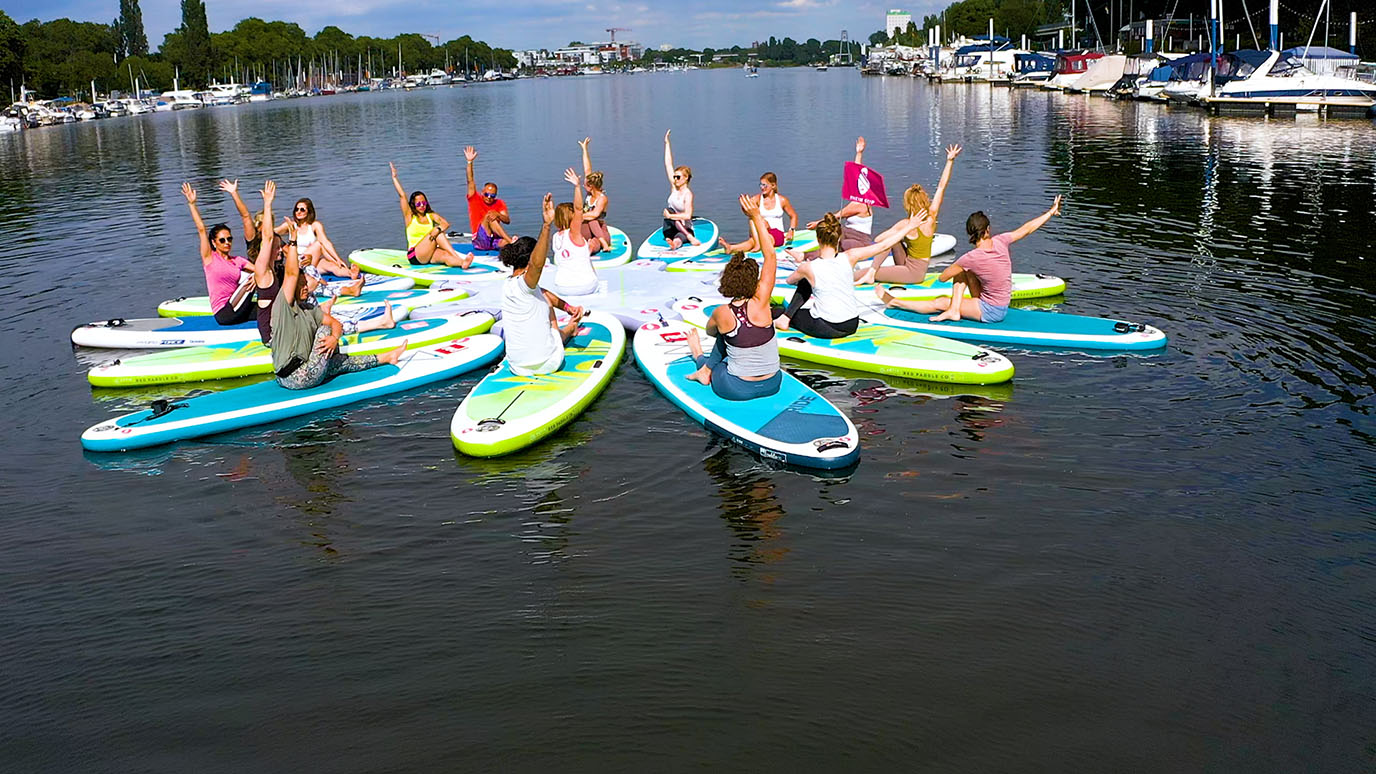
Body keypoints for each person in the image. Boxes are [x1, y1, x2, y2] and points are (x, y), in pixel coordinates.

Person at [879, 196, 1063, 323]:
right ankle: (954, 310)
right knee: (964, 270)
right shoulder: (1001, 241)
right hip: (998, 303)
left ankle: (895, 302)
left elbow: (942, 278)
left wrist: (959, 267)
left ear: (969, 233)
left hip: (991, 311)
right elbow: (1026, 229)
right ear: (988, 229)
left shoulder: (971, 257)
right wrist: (1050, 212)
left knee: (942, 300)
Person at [270, 219, 405, 391]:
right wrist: (293, 241)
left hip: (293, 376)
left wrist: (334, 339)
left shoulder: (309, 310)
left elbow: (336, 323)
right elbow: (290, 274)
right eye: (302, 285)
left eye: (306, 284)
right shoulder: (284, 306)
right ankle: (382, 357)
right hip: (296, 377)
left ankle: (385, 357)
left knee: (339, 361)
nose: (306, 287)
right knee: (324, 331)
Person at [684, 195, 781, 400]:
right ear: (754, 282)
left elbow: (711, 332)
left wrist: (702, 352)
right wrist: (756, 216)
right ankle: (704, 366)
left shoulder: (722, 313)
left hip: (736, 388)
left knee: (724, 334)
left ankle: (701, 364)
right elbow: (770, 255)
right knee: (730, 333)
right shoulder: (762, 302)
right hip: (774, 383)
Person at [774, 211, 917, 339]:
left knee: (780, 310)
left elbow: (789, 281)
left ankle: (784, 319)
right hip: (851, 324)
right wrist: (909, 227)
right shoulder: (850, 256)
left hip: (827, 327)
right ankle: (785, 318)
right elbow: (882, 246)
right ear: (838, 239)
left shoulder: (808, 267)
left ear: (818, 239)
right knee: (807, 284)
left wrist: (804, 275)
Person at [224, 178, 366, 297]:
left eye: (270, 222)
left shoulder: (277, 239)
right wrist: (234, 193)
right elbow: (245, 216)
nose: (268, 226)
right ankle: (344, 289)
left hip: (281, 274)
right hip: (264, 280)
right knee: (309, 282)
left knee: (313, 280)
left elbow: (290, 252)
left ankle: (347, 286)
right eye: (264, 223)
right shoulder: (253, 239)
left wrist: (308, 266)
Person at [498, 193, 585, 377]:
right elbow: (536, 265)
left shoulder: (510, 285)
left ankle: (569, 325)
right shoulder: (525, 283)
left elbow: (542, 292)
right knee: (547, 306)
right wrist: (546, 225)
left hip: (517, 367)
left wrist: (568, 307)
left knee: (544, 298)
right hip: (547, 363)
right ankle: (570, 328)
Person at [858, 144, 962, 285]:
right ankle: (872, 272)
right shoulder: (931, 219)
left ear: (907, 204)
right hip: (912, 267)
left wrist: (901, 232)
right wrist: (950, 161)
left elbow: (879, 239)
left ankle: (869, 274)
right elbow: (941, 187)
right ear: (924, 200)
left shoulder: (905, 224)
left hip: (912, 274)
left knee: (863, 271)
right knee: (893, 240)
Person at [181, 182, 255, 326]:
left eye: (229, 239)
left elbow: (262, 272)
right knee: (253, 277)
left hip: (239, 308)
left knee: (269, 308)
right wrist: (192, 204)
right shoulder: (210, 259)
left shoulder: (238, 261)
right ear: (214, 243)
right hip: (224, 313)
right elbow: (201, 229)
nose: (227, 242)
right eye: (222, 240)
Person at [389, 163, 474, 268]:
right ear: (413, 205)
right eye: (418, 204)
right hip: (415, 255)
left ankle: (462, 263)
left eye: (424, 203)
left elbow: (446, 224)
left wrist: (437, 229)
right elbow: (402, 196)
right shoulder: (410, 217)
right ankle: (457, 257)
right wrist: (394, 177)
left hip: (429, 252)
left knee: (445, 255)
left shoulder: (431, 215)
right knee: (437, 233)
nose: (422, 206)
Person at [803, 136, 876, 256]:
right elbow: (857, 173)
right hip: (847, 232)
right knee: (830, 235)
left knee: (837, 244)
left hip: (860, 241)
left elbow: (837, 216)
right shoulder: (856, 199)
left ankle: (806, 256)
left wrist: (817, 223)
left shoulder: (861, 205)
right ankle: (813, 254)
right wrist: (859, 153)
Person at [275, 197, 359, 280]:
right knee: (319, 244)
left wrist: (338, 258)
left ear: (309, 212)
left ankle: (350, 273)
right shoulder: (290, 225)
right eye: (297, 209)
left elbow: (326, 242)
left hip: (312, 261)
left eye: (302, 209)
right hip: (297, 261)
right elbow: (271, 233)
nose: (299, 212)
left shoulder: (314, 225)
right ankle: (338, 263)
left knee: (329, 265)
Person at [719, 172, 798, 254]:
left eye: (765, 185)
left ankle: (756, 244)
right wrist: (744, 207)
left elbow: (793, 216)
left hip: (776, 234)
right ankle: (731, 248)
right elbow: (747, 212)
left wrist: (791, 230)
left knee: (759, 235)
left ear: (773, 186)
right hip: (759, 232)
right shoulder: (756, 199)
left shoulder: (782, 200)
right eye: (761, 185)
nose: (762, 188)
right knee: (752, 219)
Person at [550, 168, 600, 297]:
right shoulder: (574, 233)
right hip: (585, 286)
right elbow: (578, 209)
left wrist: (588, 248)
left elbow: (573, 256)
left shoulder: (555, 237)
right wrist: (577, 187)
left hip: (561, 287)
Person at [465, 145, 516, 250]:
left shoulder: (500, 203)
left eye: (492, 196)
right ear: (482, 192)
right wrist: (470, 162)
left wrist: (497, 214)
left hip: (494, 240)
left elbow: (507, 220)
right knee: (490, 216)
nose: (489, 197)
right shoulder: (475, 198)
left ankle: (510, 242)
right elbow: (470, 180)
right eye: (486, 194)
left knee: (505, 239)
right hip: (480, 240)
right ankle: (511, 242)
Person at [661, 129, 700, 250]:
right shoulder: (674, 188)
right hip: (670, 226)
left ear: (686, 178)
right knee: (669, 210)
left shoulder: (688, 194)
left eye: (678, 177)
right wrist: (667, 143)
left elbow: (688, 215)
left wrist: (670, 217)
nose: (675, 179)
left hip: (684, 227)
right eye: (674, 177)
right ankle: (678, 239)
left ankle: (676, 244)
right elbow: (668, 164)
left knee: (679, 237)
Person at [578, 137, 611, 254]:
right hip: (587, 228)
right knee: (583, 228)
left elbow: (595, 214)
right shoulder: (589, 193)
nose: (583, 185)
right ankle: (584, 245)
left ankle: (597, 246)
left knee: (593, 221)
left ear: (591, 186)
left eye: (585, 184)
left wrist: (577, 215)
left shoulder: (602, 198)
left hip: (600, 231)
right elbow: (587, 168)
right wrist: (584, 149)